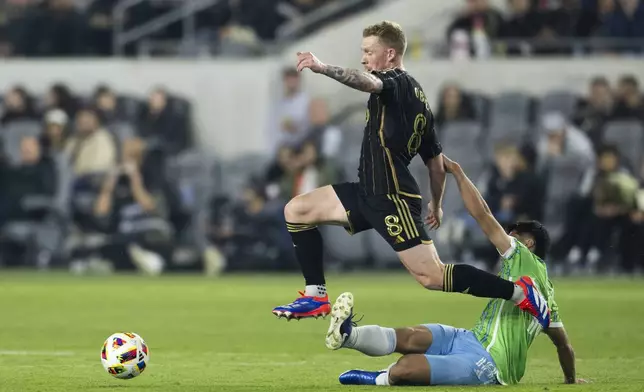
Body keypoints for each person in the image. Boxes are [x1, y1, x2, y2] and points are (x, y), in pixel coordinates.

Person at [272, 20, 550, 330]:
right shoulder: (420, 102)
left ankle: (519, 292)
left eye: (368, 51)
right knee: (297, 210)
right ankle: (316, 295)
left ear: (390, 54)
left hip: (392, 196)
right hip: (368, 192)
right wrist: (437, 202)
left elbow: (368, 82)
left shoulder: (396, 82)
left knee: (432, 276)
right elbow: (435, 160)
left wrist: (323, 68)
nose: (363, 58)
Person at [325, 155, 585, 387]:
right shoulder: (546, 298)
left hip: (489, 362)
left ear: (529, 244)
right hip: (469, 338)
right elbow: (564, 344)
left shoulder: (523, 257)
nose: (509, 235)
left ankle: (379, 378)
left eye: (516, 234)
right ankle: (348, 335)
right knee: (410, 337)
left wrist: (458, 173)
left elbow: (482, 215)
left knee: (406, 367)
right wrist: (570, 379)